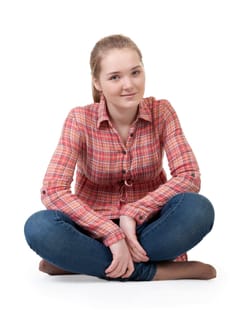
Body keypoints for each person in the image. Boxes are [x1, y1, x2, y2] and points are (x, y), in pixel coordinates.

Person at [24, 34, 216, 282]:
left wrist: (134, 212)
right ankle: (152, 271)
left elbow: (189, 176)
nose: (129, 85)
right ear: (97, 82)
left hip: (148, 230)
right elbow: (53, 189)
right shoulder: (79, 119)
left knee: (198, 209)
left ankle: (86, 263)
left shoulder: (163, 112)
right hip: (91, 231)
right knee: (39, 227)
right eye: (115, 77)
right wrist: (110, 233)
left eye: (135, 73)